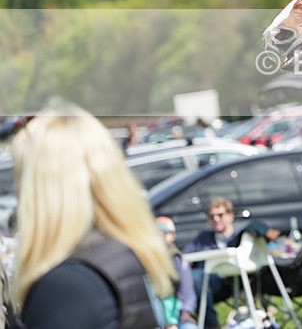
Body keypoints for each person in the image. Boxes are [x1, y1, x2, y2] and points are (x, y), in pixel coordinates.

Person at [10, 100, 175, 329]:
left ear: (43, 188)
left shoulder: (67, 287)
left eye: (21, 175)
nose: (16, 190)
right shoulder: (122, 253)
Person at [183, 197, 280, 329]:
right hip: (206, 286)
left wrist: (267, 232)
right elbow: (185, 259)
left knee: (196, 277)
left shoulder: (237, 237)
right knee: (190, 277)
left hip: (231, 282)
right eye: (212, 216)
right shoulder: (203, 238)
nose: (216, 219)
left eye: (220, 215)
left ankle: (210, 325)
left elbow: (255, 225)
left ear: (230, 216)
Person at [155, 216, 198, 329]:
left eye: (164, 233)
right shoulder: (148, 259)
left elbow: (187, 289)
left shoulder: (175, 257)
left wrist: (186, 312)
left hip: (176, 314)